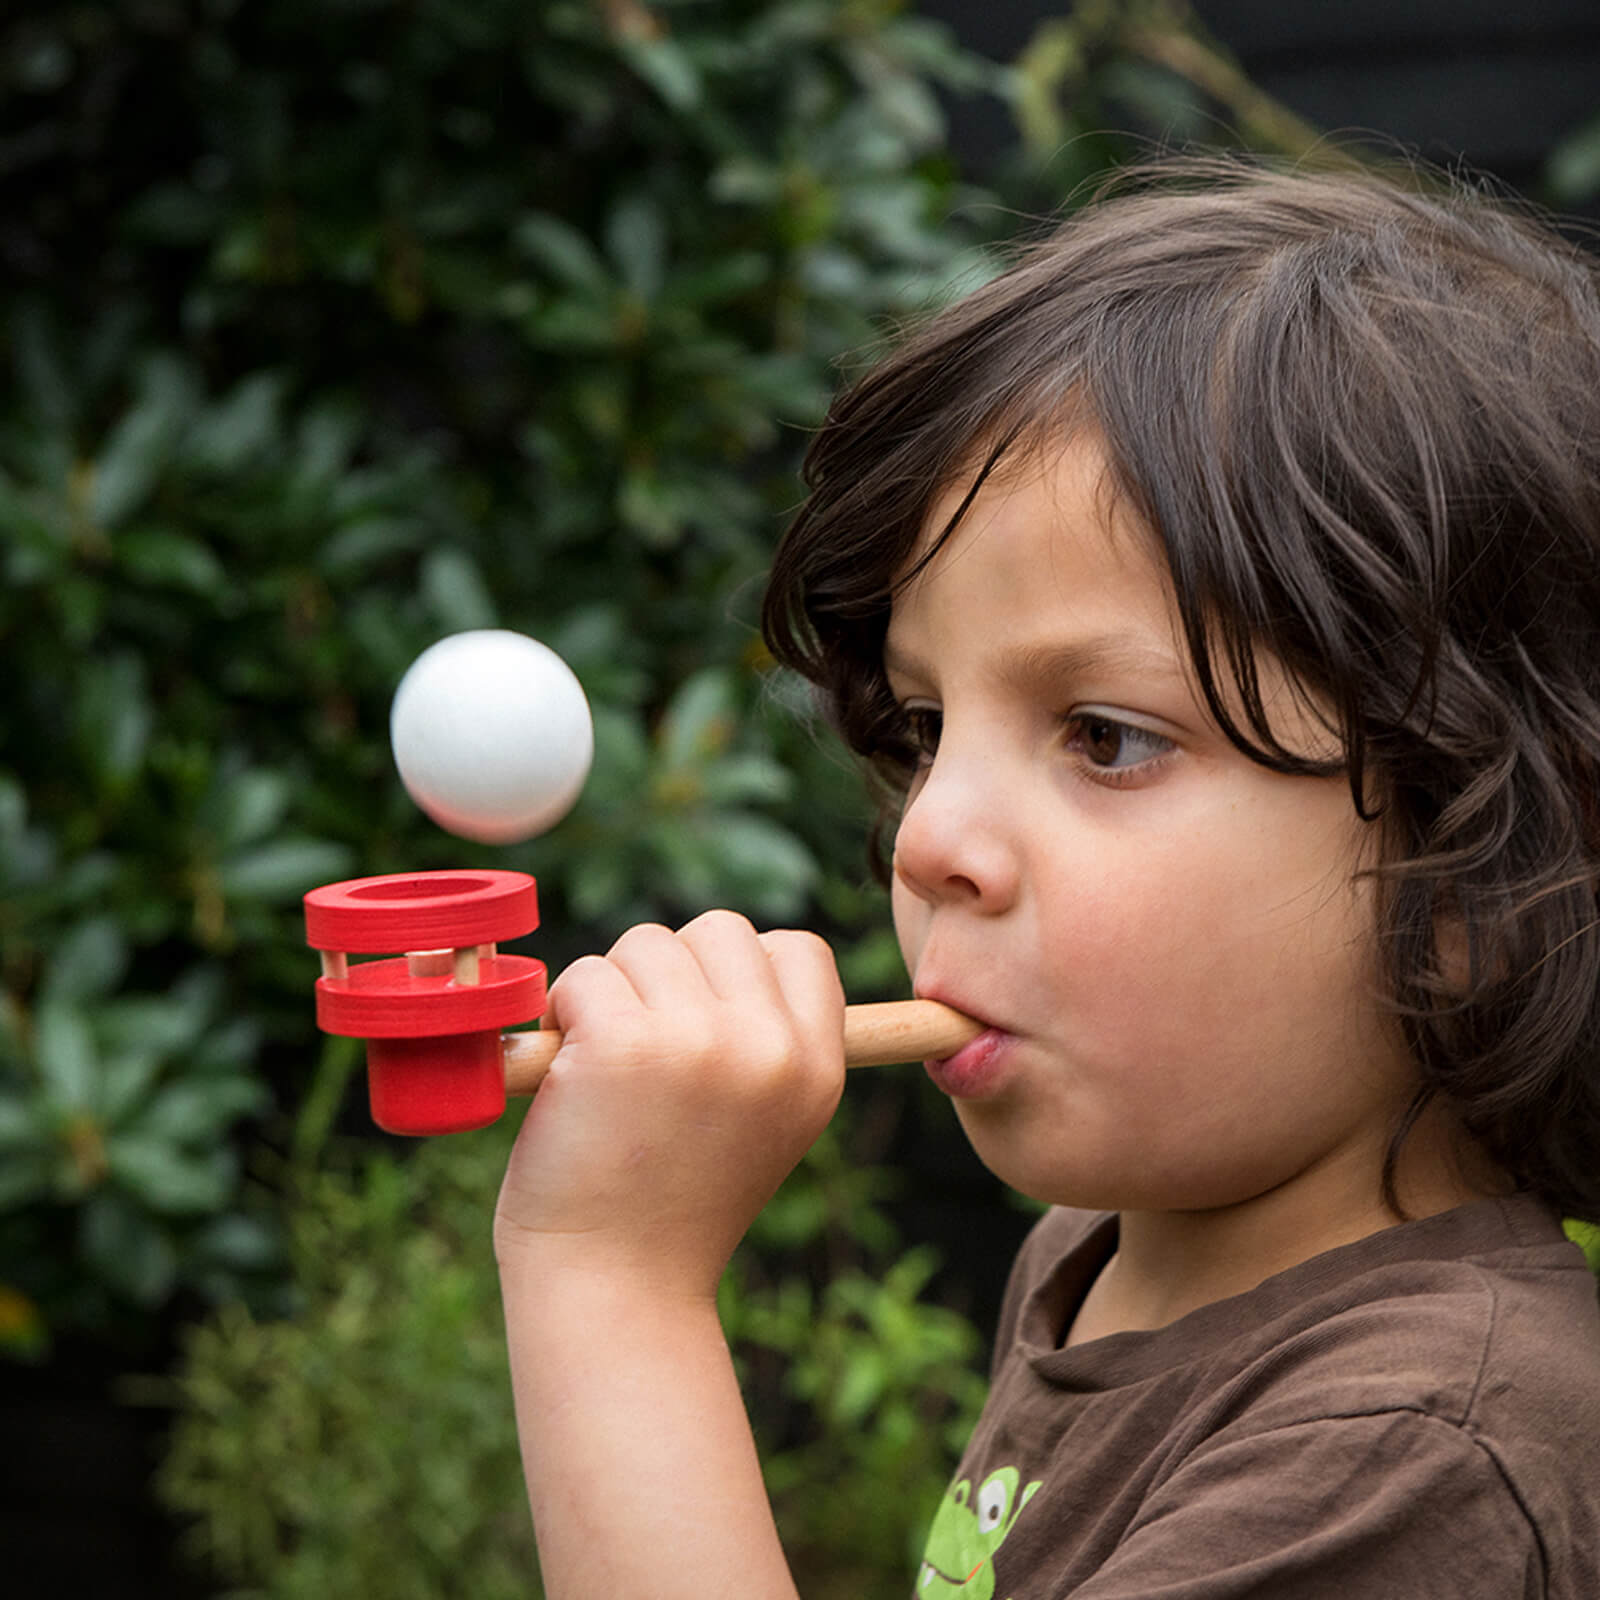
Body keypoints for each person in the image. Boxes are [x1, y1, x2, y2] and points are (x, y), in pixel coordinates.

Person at [493, 156, 1600, 1597]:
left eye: (1105, 737)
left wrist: (612, 1285)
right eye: (930, 724)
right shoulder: (1115, 1255)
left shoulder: (1413, 1451)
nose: (928, 837)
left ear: (1481, 884)